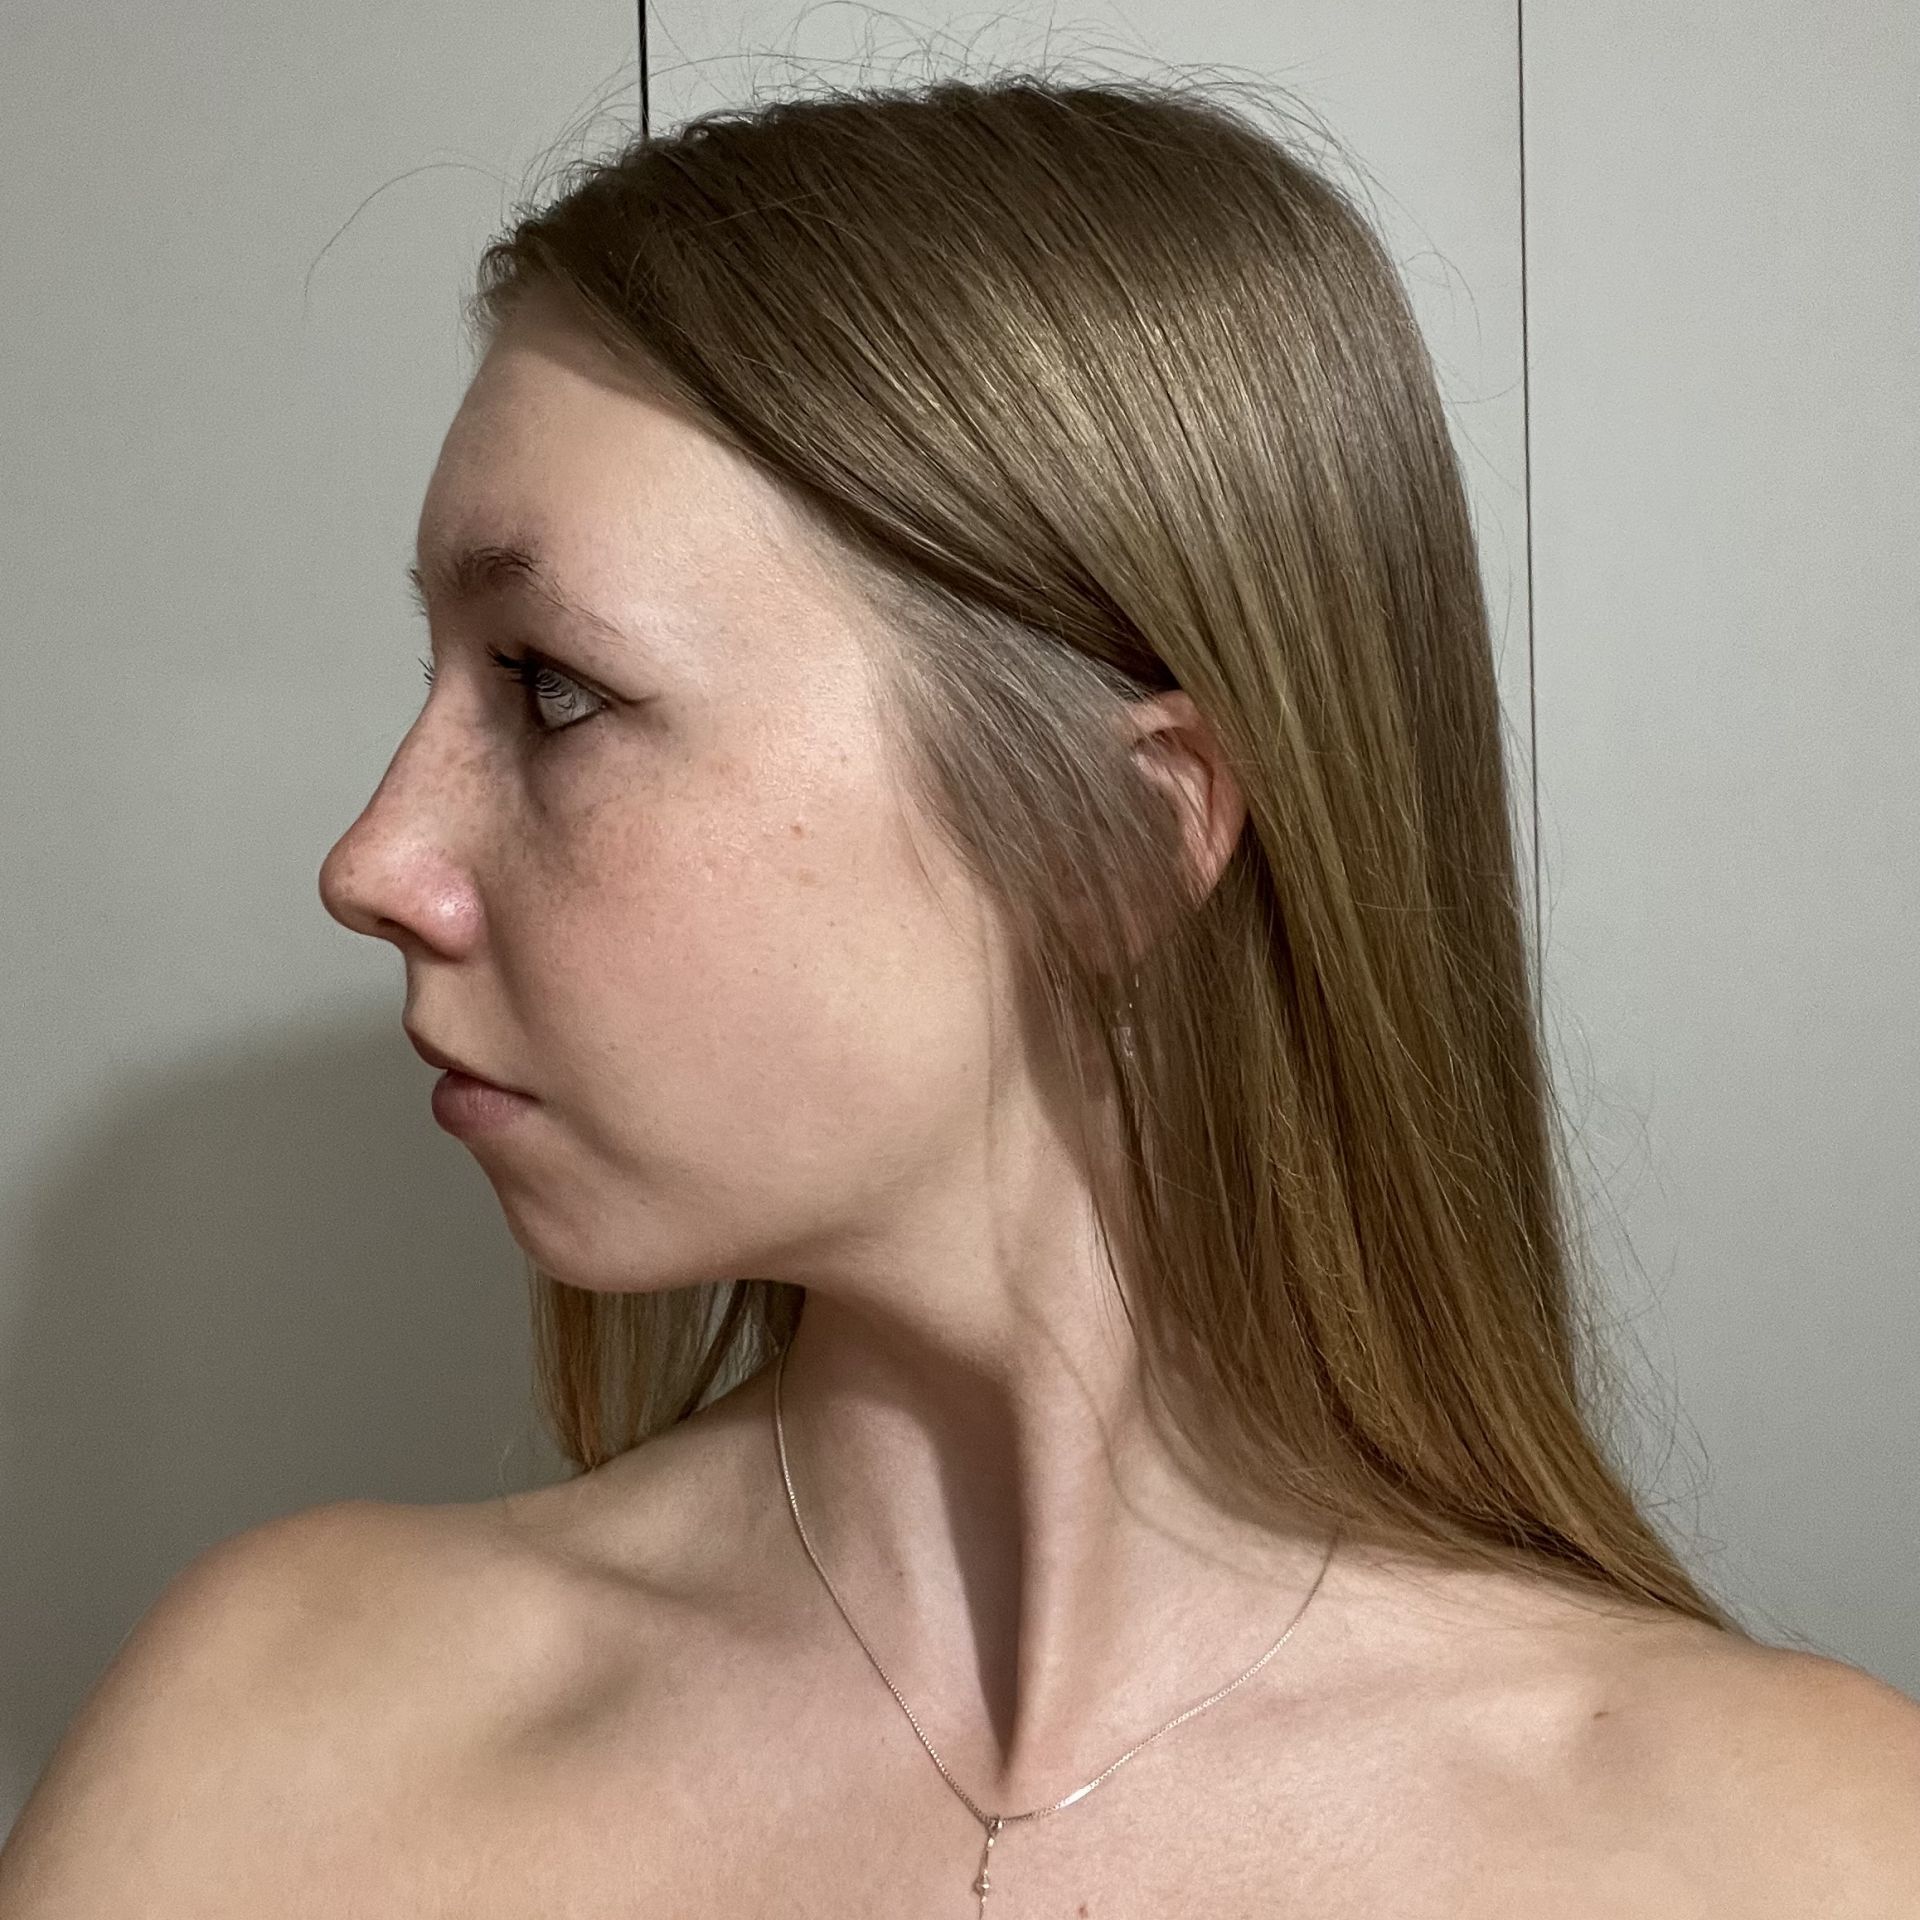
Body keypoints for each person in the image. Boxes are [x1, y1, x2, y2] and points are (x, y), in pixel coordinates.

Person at [4, 70, 1916, 1919]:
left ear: (1122, 836)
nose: (371, 862)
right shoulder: (276, 1735)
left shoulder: (1804, 1857)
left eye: (554, 689)